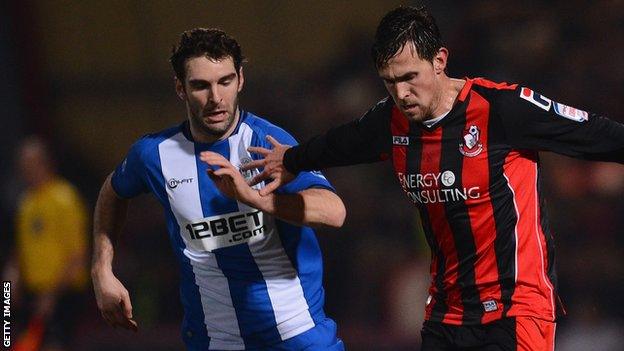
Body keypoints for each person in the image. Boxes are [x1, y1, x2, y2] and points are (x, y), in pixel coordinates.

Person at [240, 5, 624, 351]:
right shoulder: (389, 120)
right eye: (389, 81)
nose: (401, 93)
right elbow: (342, 143)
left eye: (410, 77)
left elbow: (599, 135)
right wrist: (291, 159)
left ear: (440, 59)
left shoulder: (503, 109)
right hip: (446, 313)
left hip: (516, 309)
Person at [91, 28, 346, 351]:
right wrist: (102, 270)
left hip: (298, 336)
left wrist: (255, 198)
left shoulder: (267, 143)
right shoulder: (153, 154)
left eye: (225, 81)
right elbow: (113, 192)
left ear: (241, 79)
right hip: (215, 341)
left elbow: (334, 212)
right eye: (201, 85)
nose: (216, 98)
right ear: (180, 88)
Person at [4, 136, 89, 351]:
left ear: (46, 163)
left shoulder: (65, 198)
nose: (27, 171)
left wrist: (52, 295)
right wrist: (11, 276)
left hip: (63, 295)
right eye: (23, 167)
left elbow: (78, 256)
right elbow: (22, 247)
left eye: (31, 165)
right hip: (33, 294)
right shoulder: (26, 202)